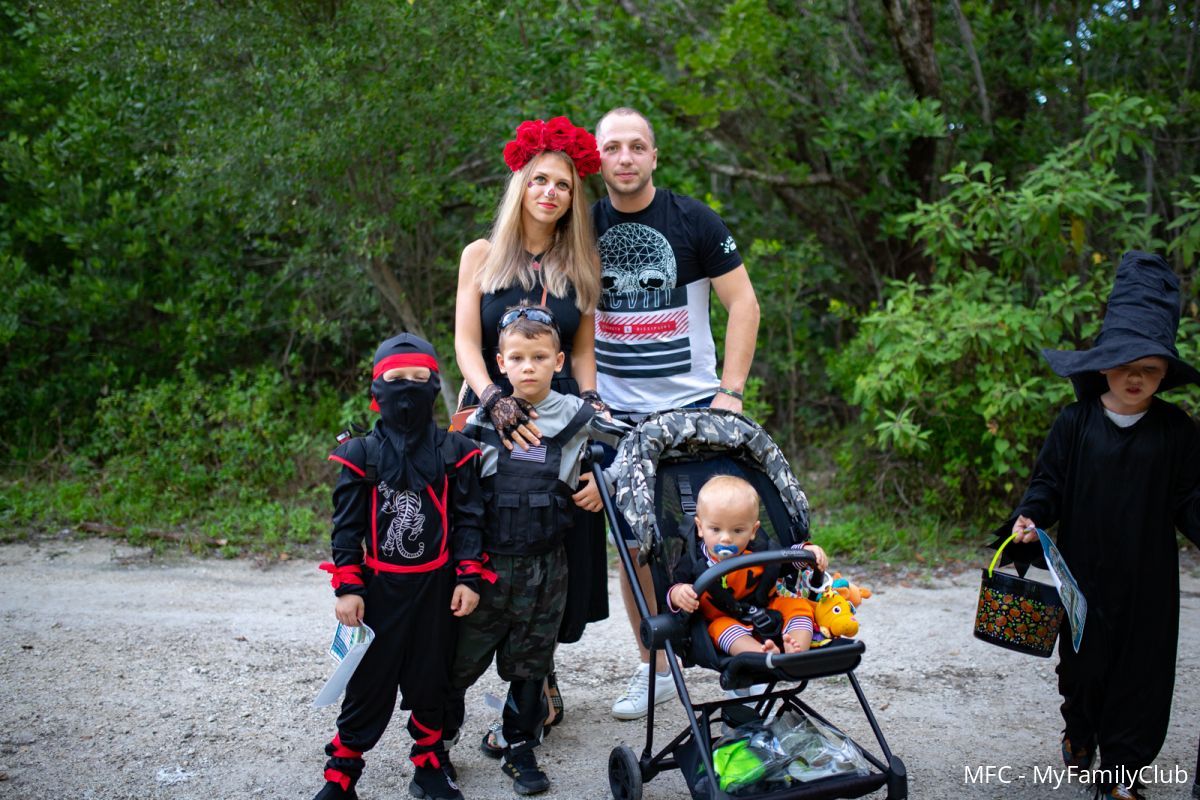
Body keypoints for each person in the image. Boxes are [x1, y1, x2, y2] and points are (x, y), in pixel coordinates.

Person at [1002, 251, 1200, 800]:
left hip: (1149, 583)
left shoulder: (1177, 431)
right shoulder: (1076, 423)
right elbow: (1048, 484)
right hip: (1083, 578)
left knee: (1143, 676)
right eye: (1126, 364)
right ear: (1103, 363)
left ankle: (1122, 774)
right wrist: (1031, 516)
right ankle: (1081, 730)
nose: (1137, 378)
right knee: (1083, 671)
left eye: (1151, 369)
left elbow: (1189, 499)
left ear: (1166, 372)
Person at [591, 106, 761, 719]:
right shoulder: (582, 226)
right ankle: (656, 667)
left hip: (693, 409)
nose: (626, 157)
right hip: (616, 416)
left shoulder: (693, 220)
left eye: (637, 146)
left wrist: (730, 392)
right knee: (635, 547)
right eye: (614, 147)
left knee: (719, 535)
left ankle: (742, 659)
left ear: (654, 156)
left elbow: (744, 304)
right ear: (598, 159)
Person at [453, 115, 606, 740]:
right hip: (493, 409)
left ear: (573, 197)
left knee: (556, 535)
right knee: (492, 532)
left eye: (563, 185)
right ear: (521, 184)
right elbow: (466, 343)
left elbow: (585, 352)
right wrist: (493, 399)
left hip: (558, 414)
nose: (550, 192)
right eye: (540, 180)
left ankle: (539, 676)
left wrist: (592, 418)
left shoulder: (582, 261)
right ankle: (458, 681)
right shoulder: (481, 255)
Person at [445, 305, 626, 795]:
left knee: (531, 664)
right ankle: (437, 745)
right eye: (518, 358)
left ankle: (519, 745)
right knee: (457, 663)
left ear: (559, 361)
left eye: (539, 357)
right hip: (486, 568)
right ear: (500, 364)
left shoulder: (578, 416)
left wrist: (605, 480)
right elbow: (450, 485)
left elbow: (636, 448)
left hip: (547, 567)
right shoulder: (480, 421)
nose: (528, 367)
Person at [311, 333, 487, 800]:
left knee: (432, 679)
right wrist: (349, 586)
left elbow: (470, 519)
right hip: (379, 591)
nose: (408, 388)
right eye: (396, 379)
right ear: (377, 390)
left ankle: (429, 765)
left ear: (434, 384)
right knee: (368, 684)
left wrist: (469, 576)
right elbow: (346, 528)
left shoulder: (455, 451)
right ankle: (342, 775)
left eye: (418, 377)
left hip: (437, 588)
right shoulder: (360, 454)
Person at [666, 475, 828, 655]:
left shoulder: (759, 550)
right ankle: (763, 655)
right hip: (725, 618)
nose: (726, 538)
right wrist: (678, 594)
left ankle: (796, 650)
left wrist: (807, 552)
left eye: (737, 530)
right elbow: (672, 588)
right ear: (700, 527)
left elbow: (784, 561)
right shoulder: (694, 561)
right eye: (716, 529)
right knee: (722, 629)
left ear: (753, 531)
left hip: (767, 608)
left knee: (798, 606)